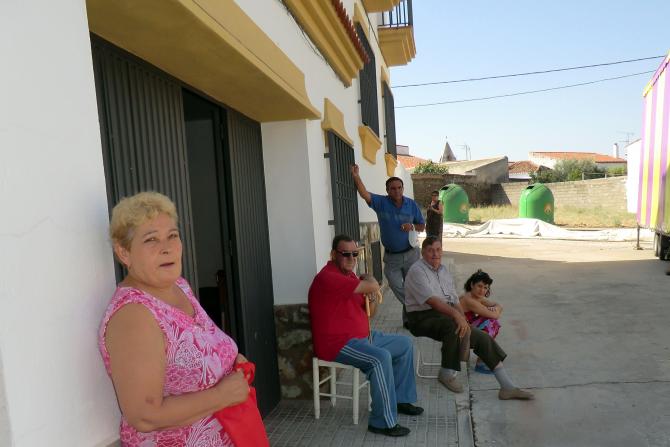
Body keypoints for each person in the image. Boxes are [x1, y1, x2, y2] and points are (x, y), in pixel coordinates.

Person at [99, 192, 252, 446]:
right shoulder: (134, 315)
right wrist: (223, 395)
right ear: (124, 253)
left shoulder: (180, 287)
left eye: (172, 235)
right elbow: (144, 416)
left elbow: (198, 346)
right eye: (151, 239)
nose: (167, 247)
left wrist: (228, 362)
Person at [308, 235, 423, 437]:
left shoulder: (351, 278)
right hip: (338, 344)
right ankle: (381, 422)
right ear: (333, 254)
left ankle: (400, 399)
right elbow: (373, 285)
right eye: (345, 254)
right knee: (380, 358)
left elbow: (371, 310)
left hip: (363, 337)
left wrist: (371, 298)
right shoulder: (327, 277)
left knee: (404, 343)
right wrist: (369, 279)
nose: (351, 258)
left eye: (355, 254)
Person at [404, 236, 534, 400]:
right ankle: (446, 373)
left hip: (443, 314)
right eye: (430, 251)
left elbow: (454, 299)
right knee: (453, 326)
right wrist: (457, 316)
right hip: (420, 318)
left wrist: (462, 318)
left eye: (438, 250)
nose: (435, 254)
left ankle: (507, 387)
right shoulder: (417, 271)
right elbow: (433, 301)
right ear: (423, 252)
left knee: (481, 337)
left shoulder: (443, 271)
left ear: (442, 251)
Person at [350, 164, 425, 326]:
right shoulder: (381, 203)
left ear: (403, 188)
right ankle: (418, 308)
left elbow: (422, 226)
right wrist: (356, 176)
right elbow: (364, 194)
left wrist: (412, 226)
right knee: (395, 284)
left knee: (411, 287)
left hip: (411, 253)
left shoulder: (411, 204)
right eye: (393, 188)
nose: (397, 191)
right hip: (392, 257)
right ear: (387, 190)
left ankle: (409, 320)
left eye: (399, 188)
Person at [460, 270, 502, 374]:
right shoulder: (469, 300)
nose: (482, 290)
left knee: (491, 321)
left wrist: (495, 308)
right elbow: (495, 315)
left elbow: (498, 305)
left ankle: (484, 357)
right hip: (461, 333)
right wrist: (494, 310)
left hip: (467, 327)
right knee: (491, 323)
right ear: (472, 285)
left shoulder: (476, 297)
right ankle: (481, 362)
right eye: (479, 286)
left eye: (485, 287)